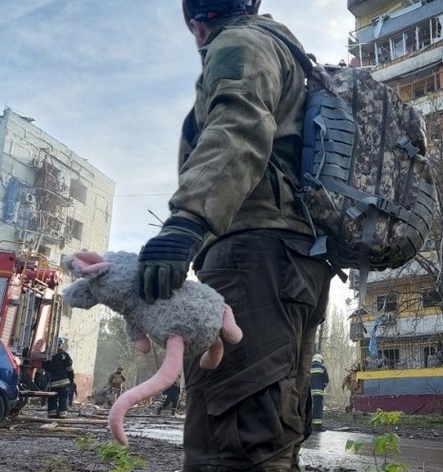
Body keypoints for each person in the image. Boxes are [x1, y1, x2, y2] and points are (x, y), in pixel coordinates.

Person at [135, 1, 333, 469]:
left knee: (233, 441)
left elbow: (239, 125)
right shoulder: (287, 55)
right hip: (291, 262)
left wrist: (188, 220)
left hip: (252, 257)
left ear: (193, 21)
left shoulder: (239, 42)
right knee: (270, 431)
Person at [42, 338, 74, 418]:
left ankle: (52, 414)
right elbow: (69, 369)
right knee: (63, 398)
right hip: (64, 382)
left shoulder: (47, 355)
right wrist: (71, 379)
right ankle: (62, 415)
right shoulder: (65, 355)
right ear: (60, 344)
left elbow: (43, 368)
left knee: (52, 398)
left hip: (52, 382)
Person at [310, 353, 329, 432]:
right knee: (317, 409)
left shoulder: (308, 368)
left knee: (308, 409)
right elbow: (326, 381)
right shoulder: (322, 368)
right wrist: (322, 387)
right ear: (320, 360)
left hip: (309, 393)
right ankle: (317, 428)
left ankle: (308, 426)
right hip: (318, 393)